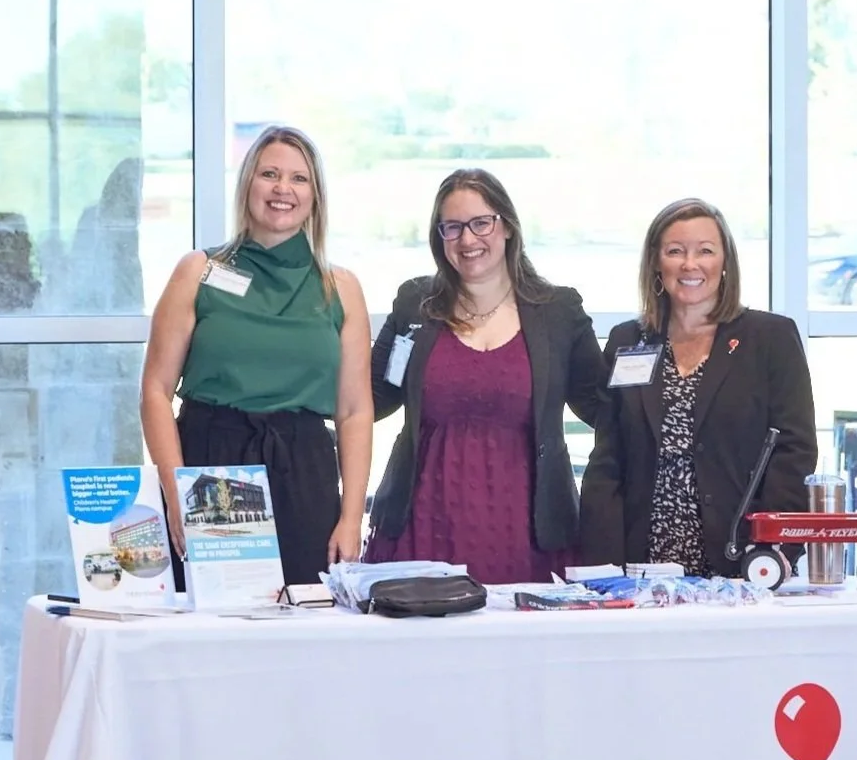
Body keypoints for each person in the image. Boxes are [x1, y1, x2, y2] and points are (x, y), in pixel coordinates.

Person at [141, 125, 373, 586]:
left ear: (316, 196)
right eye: (269, 173)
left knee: (305, 628)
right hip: (213, 464)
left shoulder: (340, 287)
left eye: (299, 178)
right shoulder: (199, 272)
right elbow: (154, 390)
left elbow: (353, 411)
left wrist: (351, 517)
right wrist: (176, 493)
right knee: (214, 627)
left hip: (304, 470)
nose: (283, 189)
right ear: (247, 182)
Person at [364, 169, 601, 582]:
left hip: (528, 531)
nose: (468, 240)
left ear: (506, 226)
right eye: (452, 228)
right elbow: (370, 399)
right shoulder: (414, 303)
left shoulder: (559, 311)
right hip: (422, 524)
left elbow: (603, 408)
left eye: (481, 223)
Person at [580, 198, 817, 576]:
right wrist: (599, 562)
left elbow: (795, 451)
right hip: (642, 561)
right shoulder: (629, 341)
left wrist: (777, 545)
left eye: (705, 251)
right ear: (657, 263)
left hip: (739, 556)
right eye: (675, 251)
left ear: (725, 262)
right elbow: (608, 458)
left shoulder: (770, 338)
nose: (690, 265)